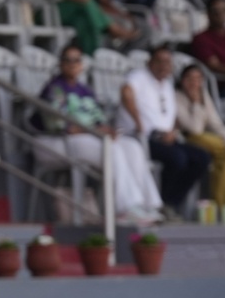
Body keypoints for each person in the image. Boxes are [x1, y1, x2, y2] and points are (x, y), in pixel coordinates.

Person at [37, 44, 162, 224]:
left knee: (132, 146)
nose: (72, 64)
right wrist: (95, 131)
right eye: (67, 60)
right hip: (58, 140)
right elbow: (59, 126)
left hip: (89, 138)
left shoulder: (85, 90)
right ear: (60, 64)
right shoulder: (54, 88)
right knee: (111, 149)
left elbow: (99, 120)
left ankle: (148, 205)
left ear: (82, 65)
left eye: (76, 60)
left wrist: (107, 130)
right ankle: (126, 209)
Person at [122, 44, 210, 219]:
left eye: (168, 62)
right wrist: (138, 122)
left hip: (167, 137)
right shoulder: (139, 77)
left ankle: (170, 203)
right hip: (143, 137)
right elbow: (126, 93)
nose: (164, 66)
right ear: (150, 62)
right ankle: (159, 204)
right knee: (177, 158)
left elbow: (171, 115)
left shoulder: (167, 84)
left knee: (202, 157)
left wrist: (173, 131)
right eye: (160, 61)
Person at [177, 62, 225, 220]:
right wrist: (195, 102)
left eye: (198, 79)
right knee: (223, 149)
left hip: (205, 140)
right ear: (182, 80)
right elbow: (194, 129)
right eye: (190, 78)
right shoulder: (176, 96)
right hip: (186, 138)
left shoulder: (204, 96)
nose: (194, 83)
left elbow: (216, 124)